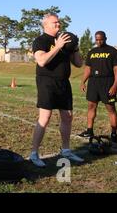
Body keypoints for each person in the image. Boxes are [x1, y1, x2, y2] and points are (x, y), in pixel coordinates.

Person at [30, 13, 84, 167]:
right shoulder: (40, 41)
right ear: (45, 25)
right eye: (55, 22)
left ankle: (66, 150)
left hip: (63, 82)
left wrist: (75, 47)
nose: (58, 25)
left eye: (59, 22)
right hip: (46, 81)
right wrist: (58, 46)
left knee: (67, 116)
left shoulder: (65, 40)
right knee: (45, 117)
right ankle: (34, 153)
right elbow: (41, 61)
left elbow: (79, 63)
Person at [79, 31, 117, 143]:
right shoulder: (92, 52)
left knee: (110, 108)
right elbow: (88, 69)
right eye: (97, 39)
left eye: (101, 39)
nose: (99, 41)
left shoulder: (113, 52)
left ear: (105, 38)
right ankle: (89, 130)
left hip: (107, 82)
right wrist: (83, 81)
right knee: (91, 106)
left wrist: (115, 85)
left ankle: (113, 134)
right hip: (93, 82)